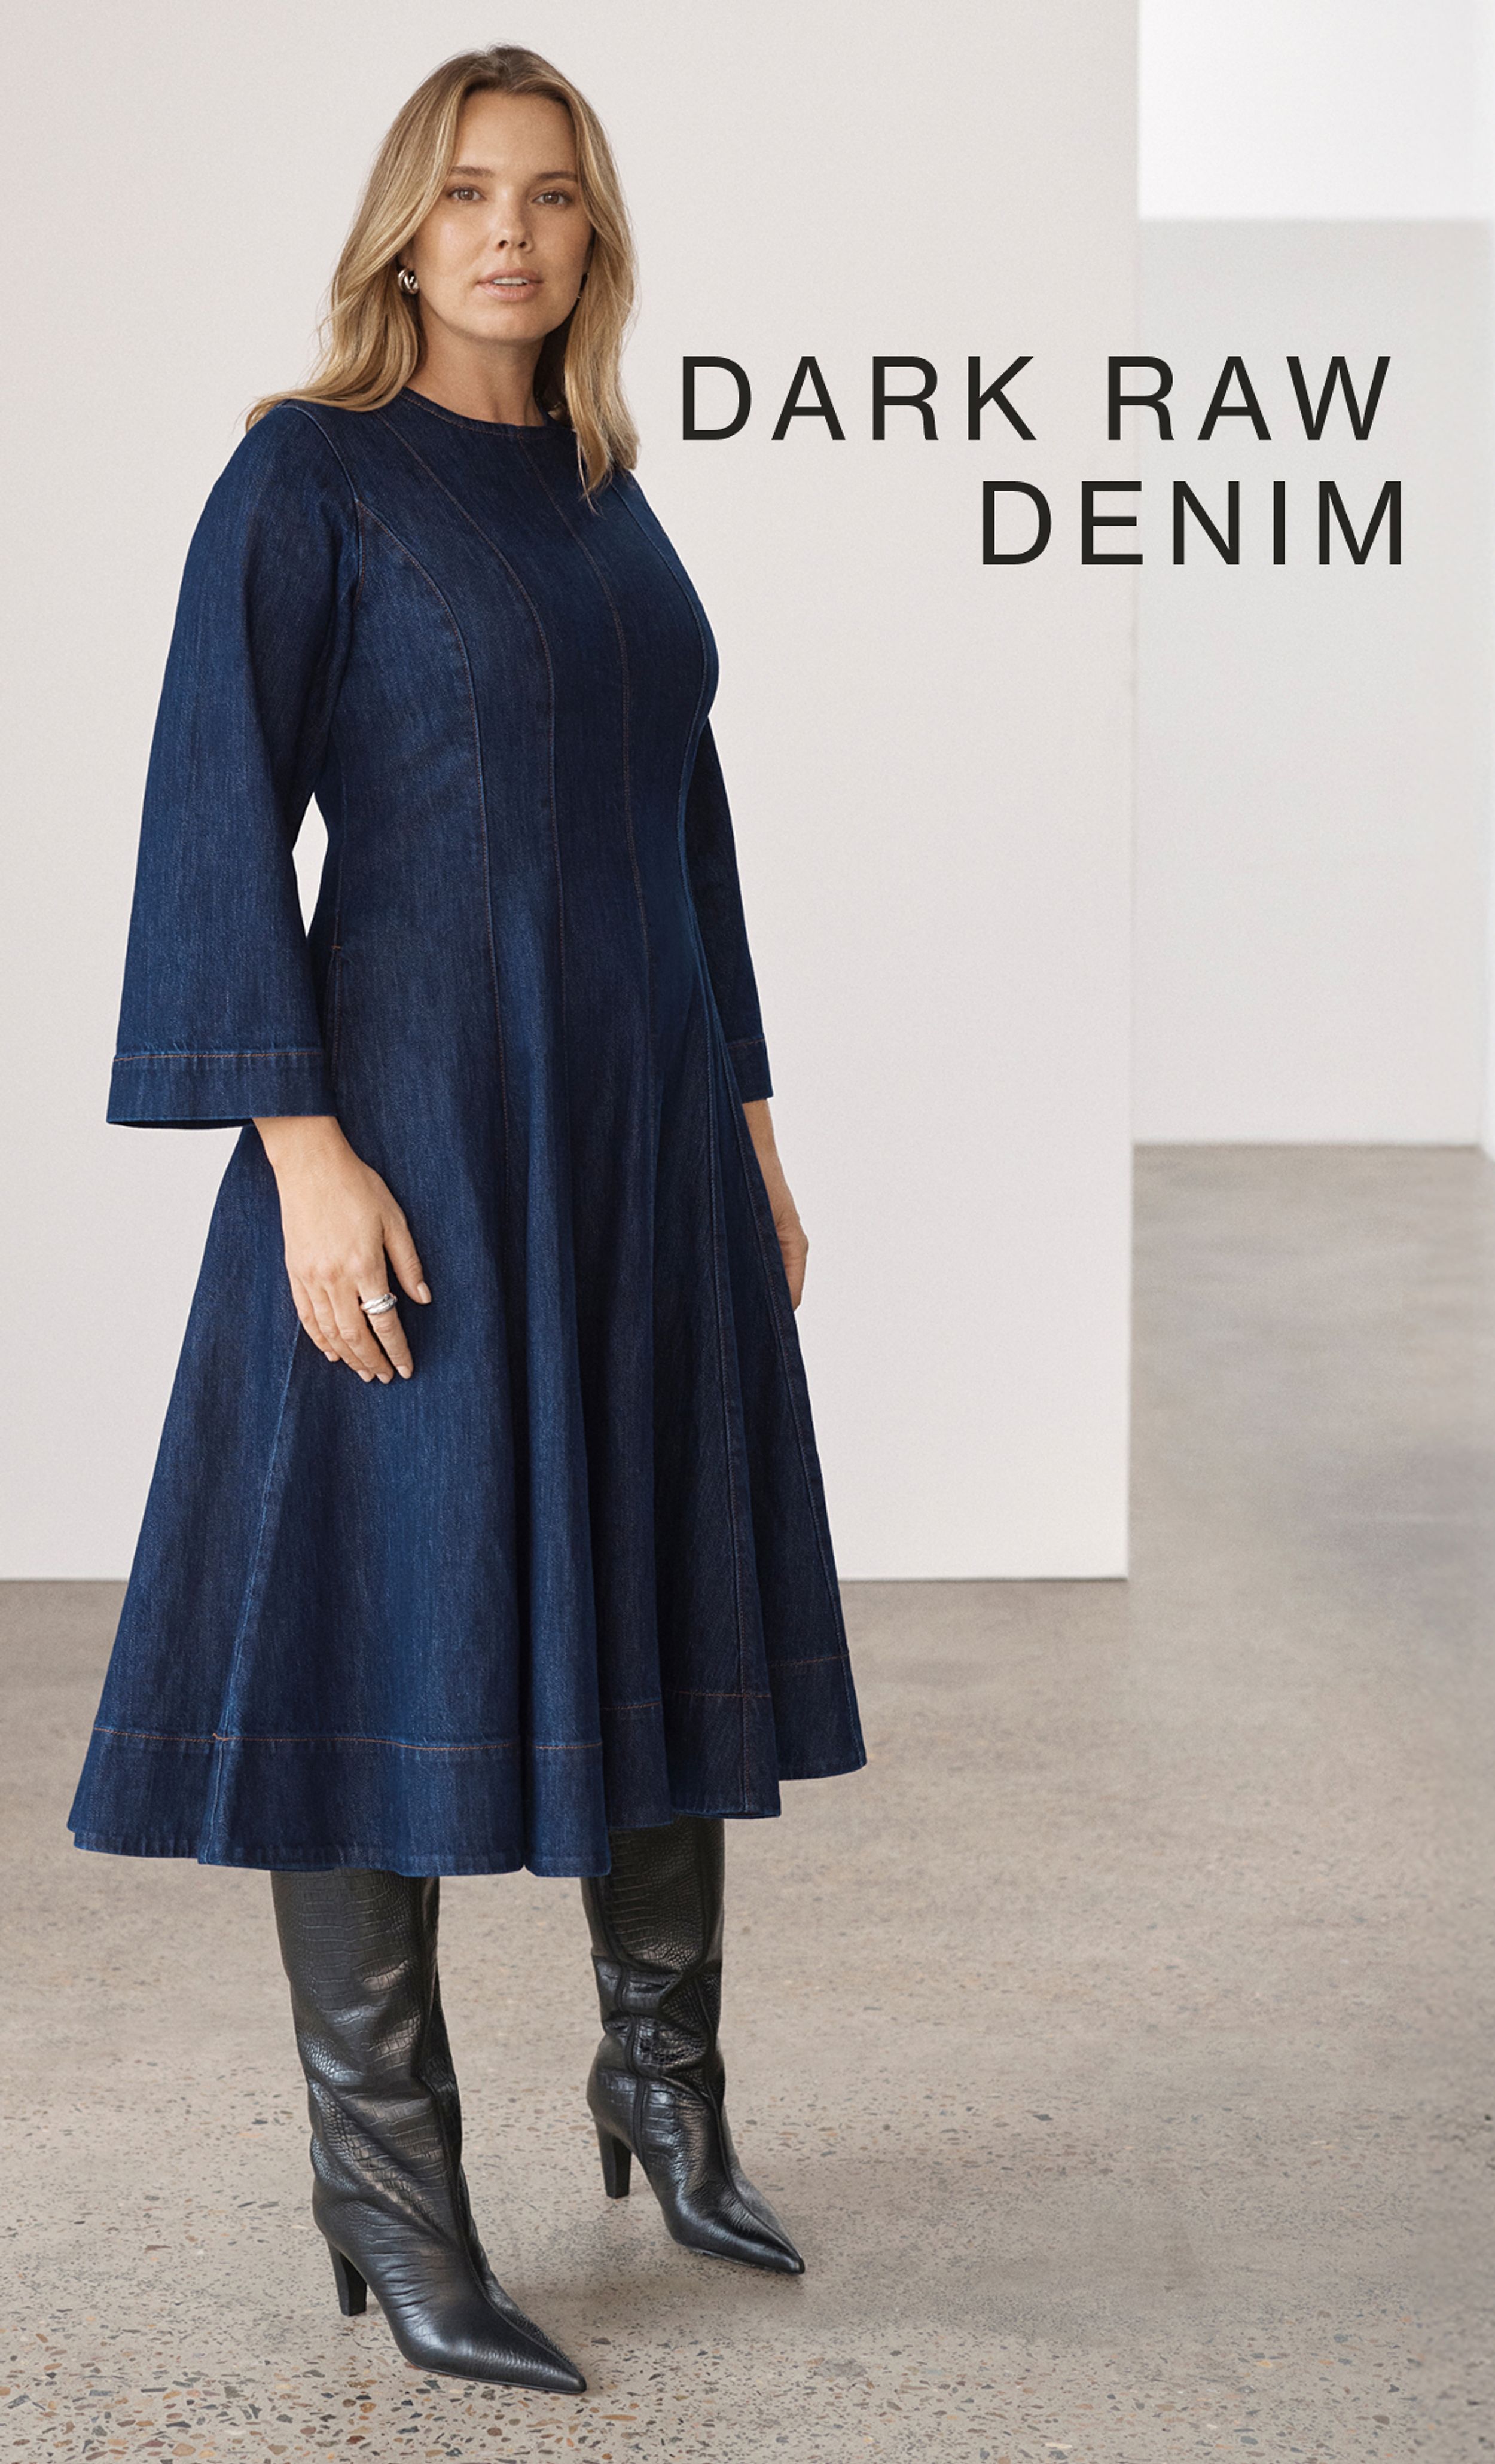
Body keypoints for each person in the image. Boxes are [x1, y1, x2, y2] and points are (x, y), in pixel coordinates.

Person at [66, 42, 865, 2394]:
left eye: (550, 195)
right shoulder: (305, 475)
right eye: (464, 194)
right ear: (402, 232)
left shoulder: (605, 490)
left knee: (655, 1561)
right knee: (380, 1607)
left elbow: (681, 819)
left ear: (594, 236)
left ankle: (663, 2089)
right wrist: (301, 1153)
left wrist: (746, 1123)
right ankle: (389, 2189)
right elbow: (215, 812)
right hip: (417, 1125)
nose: (508, 232)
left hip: (640, 1128)